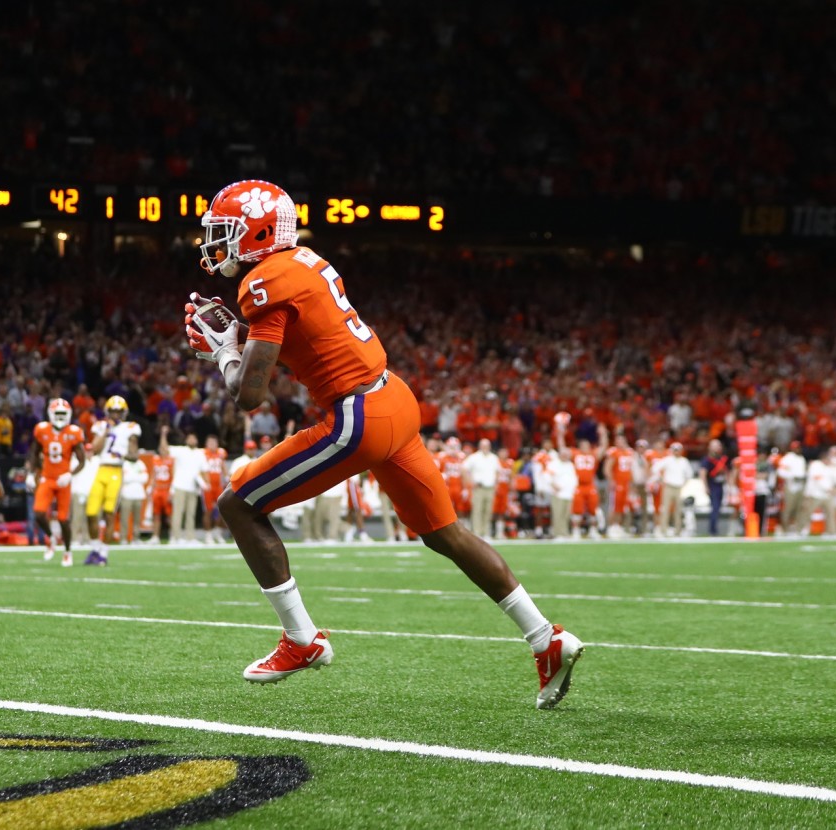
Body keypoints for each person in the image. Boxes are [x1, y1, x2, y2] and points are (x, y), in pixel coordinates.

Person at [186, 178, 581, 708]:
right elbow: (298, 338)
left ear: (257, 232)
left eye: (227, 232)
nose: (217, 243)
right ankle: (545, 637)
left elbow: (248, 396)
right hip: (394, 397)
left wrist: (224, 352)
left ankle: (301, 639)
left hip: (357, 417)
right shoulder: (302, 260)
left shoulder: (263, 281)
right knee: (445, 533)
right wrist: (241, 339)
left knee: (238, 503)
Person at [29, 398, 86, 565]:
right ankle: (51, 537)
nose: (60, 417)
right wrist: (31, 473)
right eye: (57, 414)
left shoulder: (73, 432)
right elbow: (34, 453)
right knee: (38, 513)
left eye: (63, 414)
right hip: (47, 477)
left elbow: (82, 460)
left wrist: (70, 474)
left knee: (63, 519)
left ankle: (67, 551)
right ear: (50, 414)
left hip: (63, 480)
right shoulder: (42, 430)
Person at [85, 395, 141, 564]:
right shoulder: (101, 426)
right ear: (107, 411)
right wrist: (106, 432)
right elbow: (94, 449)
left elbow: (134, 455)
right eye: (113, 411)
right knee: (91, 512)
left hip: (116, 472)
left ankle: (103, 553)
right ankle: (95, 548)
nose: (116, 415)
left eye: (119, 411)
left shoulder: (131, 428)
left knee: (109, 514)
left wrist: (122, 454)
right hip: (101, 470)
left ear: (124, 413)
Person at [159, 426, 206, 545]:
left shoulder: (201, 453)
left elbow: (204, 470)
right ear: (186, 441)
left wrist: (206, 484)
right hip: (179, 485)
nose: (191, 440)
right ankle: (175, 537)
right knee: (177, 513)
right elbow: (164, 449)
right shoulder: (181, 450)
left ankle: (190, 538)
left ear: (196, 441)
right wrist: (164, 434)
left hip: (193, 488)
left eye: (193, 439)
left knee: (191, 514)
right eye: (189, 438)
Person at [463, 437, 502, 538]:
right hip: (478, 488)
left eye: (487, 446)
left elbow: (498, 471)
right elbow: (464, 468)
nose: (485, 447)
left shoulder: (494, 458)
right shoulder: (474, 457)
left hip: (490, 487)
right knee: (477, 510)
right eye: (483, 445)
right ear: (480, 446)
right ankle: (477, 533)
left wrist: (496, 484)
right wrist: (470, 482)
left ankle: (485, 532)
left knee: (488, 511)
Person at [118, 450, 150, 545]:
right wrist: (137, 477)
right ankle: (123, 538)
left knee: (137, 519)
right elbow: (125, 478)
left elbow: (145, 478)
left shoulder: (141, 464)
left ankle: (136, 538)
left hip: (139, 494)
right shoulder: (124, 464)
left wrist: (132, 477)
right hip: (126, 494)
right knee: (125, 518)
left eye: (135, 453)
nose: (134, 455)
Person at [698, 439, 729, 536]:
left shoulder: (722, 458)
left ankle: (714, 528)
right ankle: (713, 530)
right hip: (713, 485)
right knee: (715, 507)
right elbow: (703, 473)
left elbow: (727, 472)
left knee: (718, 507)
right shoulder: (707, 459)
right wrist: (705, 486)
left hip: (720, 484)